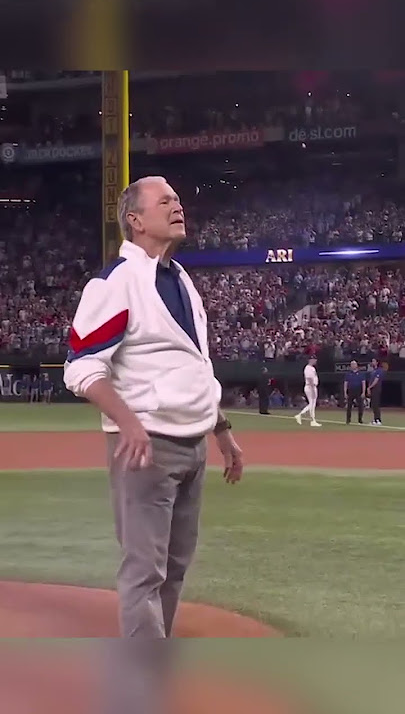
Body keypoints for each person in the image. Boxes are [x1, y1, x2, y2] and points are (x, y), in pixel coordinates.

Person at [63, 176, 244, 639]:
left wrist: (220, 429)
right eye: (165, 201)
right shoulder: (115, 283)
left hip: (193, 445)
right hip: (147, 447)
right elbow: (81, 367)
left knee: (176, 566)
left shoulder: (181, 280)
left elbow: (196, 365)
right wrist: (128, 423)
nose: (177, 205)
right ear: (135, 220)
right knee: (145, 571)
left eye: (178, 199)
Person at [294, 356, 322, 427]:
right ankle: (304, 416)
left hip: (311, 386)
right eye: (314, 359)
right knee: (312, 404)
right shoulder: (308, 368)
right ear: (311, 360)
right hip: (310, 386)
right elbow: (309, 379)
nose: (315, 361)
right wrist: (312, 389)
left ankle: (311, 419)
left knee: (312, 404)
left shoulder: (312, 368)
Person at [344, 360, 366, 425]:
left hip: (358, 390)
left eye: (354, 364)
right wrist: (345, 392)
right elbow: (345, 383)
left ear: (357, 365)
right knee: (349, 406)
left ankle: (360, 419)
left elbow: (363, 383)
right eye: (352, 364)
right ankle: (348, 420)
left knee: (360, 406)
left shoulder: (361, 374)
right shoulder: (348, 374)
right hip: (351, 390)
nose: (353, 365)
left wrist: (363, 392)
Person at [367, 358, 384, 426]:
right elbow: (371, 380)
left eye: (373, 361)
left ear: (377, 362)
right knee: (373, 405)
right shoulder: (373, 371)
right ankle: (375, 419)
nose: (372, 362)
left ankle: (378, 420)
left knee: (376, 405)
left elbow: (376, 380)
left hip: (376, 389)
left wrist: (369, 387)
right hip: (372, 389)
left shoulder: (379, 370)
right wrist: (369, 388)